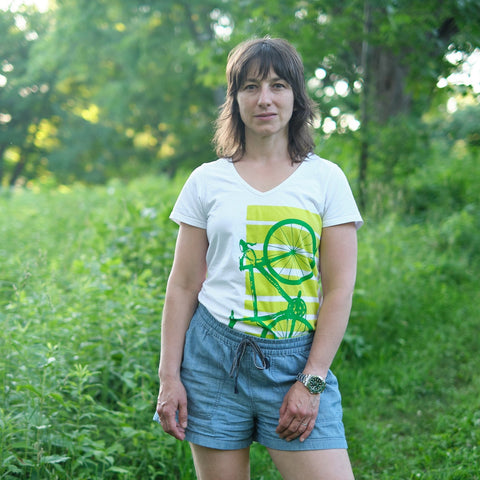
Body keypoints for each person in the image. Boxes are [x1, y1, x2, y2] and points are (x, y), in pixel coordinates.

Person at [154, 37, 363, 480]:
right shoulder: (206, 181)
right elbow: (184, 284)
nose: (264, 98)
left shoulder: (326, 179)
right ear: (234, 100)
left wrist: (311, 381)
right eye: (250, 87)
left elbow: (339, 289)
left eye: (277, 85)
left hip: (295, 360)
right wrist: (169, 378)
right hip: (211, 359)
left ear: (296, 97)